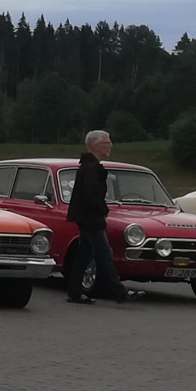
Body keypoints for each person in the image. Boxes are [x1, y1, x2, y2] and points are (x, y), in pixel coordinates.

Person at [66, 129, 122, 303]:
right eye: (107, 142)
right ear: (96, 146)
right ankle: (119, 291)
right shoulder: (91, 168)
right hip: (91, 218)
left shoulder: (88, 166)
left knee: (85, 253)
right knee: (104, 253)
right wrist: (103, 209)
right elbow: (91, 195)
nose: (110, 146)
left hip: (86, 216)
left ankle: (74, 291)